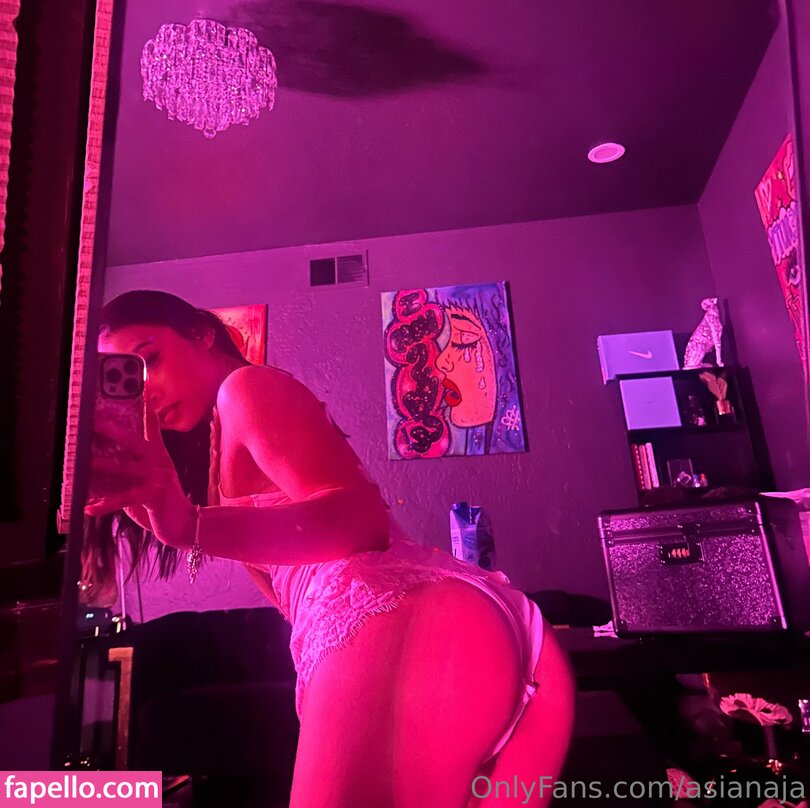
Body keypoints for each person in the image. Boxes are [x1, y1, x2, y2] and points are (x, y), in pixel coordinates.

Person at [85, 290, 574, 807]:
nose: (147, 391)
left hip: (393, 622)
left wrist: (191, 527)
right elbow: (297, 587)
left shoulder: (246, 389)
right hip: (470, 633)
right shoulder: (221, 434)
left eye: (150, 360)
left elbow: (361, 525)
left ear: (202, 334)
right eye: (127, 380)